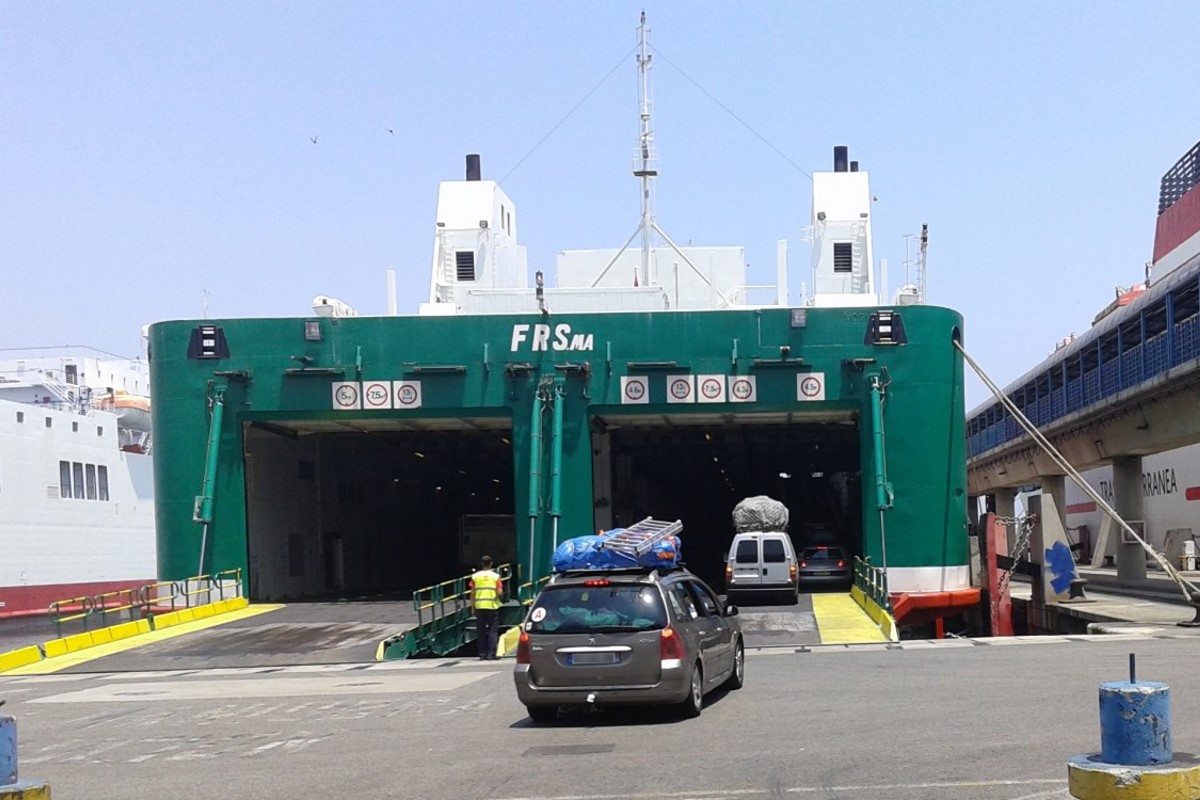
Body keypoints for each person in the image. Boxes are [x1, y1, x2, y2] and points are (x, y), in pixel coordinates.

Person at [469, 555, 503, 660]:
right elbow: (499, 592)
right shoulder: (496, 577)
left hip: (479, 607)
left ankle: (482, 654)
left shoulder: (475, 577)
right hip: (492, 607)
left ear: (481, 564)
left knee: (481, 631)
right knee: (493, 631)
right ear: (491, 563)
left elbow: (472, 593)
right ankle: (491, 654)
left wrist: (473, 607)